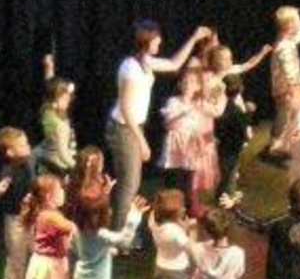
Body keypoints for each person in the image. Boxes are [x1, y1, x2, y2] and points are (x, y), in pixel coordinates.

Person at [110, 19, 211, 220]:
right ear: (145, 41)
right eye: (156, 38)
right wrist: (142, 141)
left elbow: (174, 64)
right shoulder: (130, 68)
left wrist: (194, 38)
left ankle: (122, 224)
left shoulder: (145, 61)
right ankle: (119, 230)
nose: (160, 41)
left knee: (131, 182)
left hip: (132, 126)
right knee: (129, 183)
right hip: (124, 128)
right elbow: (126, 110)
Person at [206, 40, 271, 202]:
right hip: (225, 118)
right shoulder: (213, 80)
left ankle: (228, 186)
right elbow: (212, 103)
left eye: (230, 57)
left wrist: (262, 53)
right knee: (228, 157)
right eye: (225, 58)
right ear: (215, 61)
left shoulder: (232, 70)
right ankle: (226, 192)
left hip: (237, 115)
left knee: (236, 152)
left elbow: (248, 64)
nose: (229, 61)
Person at [158, 62, 223, 213]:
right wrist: (183, 112)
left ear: (198, 87)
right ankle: (169, 211)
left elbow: (211, 116)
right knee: (174, 180)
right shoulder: (173, 101)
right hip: (175, 147)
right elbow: (167, 123)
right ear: (180, 84)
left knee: (189, 180)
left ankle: (187, 211)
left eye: (192, 82)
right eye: (185, 82)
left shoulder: (198, 104)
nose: (188, 85)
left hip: (190, 147)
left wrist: (202, 142)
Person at [0, 126, 36, 279]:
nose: (28, 147)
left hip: (31, 217)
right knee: (17, 256)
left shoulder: (30, 166)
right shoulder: (8, 171)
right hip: (15, 219)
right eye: (22, 145)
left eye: (27, 143)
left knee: (32, 254)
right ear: (10, 152)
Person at [267, 5, 300, 151]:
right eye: (298, 20)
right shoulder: (285, 47)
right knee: (285, 117)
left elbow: (289, 43)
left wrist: (299, 37)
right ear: (290, 25)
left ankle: (279, 143)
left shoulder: (284, 42)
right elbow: (290, 71)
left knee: (285, 116)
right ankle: (277, 146)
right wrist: (298, 89)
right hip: (286, 90)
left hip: (284, 89)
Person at [33, 70, 76, 182]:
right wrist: (79, 168)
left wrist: (49, 69)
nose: (69, 101)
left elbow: (49, 86)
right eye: (65, 98)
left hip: (45, 163)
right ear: (54, 100)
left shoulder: (46, 111)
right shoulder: (60, 125)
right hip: (58, 168)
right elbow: (63, 154)